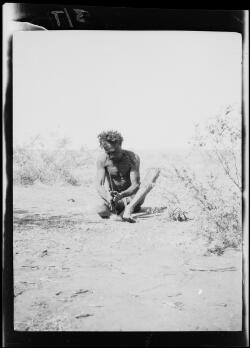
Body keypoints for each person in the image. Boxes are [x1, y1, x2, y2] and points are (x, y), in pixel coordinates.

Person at [96, 130, 160, 223]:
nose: (111, 156)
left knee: (154, 171)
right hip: (116, 201)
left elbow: (135, 185)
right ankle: (118, 214)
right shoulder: (102, 159)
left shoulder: (132, 157)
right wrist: (107, 197)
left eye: (114, 152)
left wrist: (122, 195)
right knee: (100, 210)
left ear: (120, 145)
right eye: (108, 152)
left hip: (134, 198)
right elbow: (99, 185)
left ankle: (129, 209)